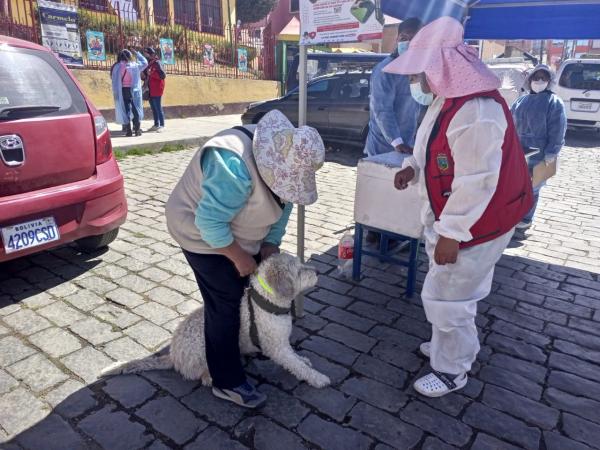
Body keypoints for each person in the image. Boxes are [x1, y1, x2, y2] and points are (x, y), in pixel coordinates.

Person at [387, 17, 533, 397]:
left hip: (477, 225)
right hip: (464, 221)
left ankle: (452, 369)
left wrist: (451, 234)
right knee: (447, 289)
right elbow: (428, 145)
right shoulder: (449, 100)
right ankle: (446, 346)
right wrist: (411, 168)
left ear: (441, 68)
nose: (417, 81)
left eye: (421, 72)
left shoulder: (477, 111)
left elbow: (476, 181)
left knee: (451, 295)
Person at [165, 110, 325, 408]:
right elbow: (210, 224)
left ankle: (246, 343)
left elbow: (283, 204)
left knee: (245, 294)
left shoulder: (282, 154)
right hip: (198, 232)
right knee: (225, 302)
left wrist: (269, 245)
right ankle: (226, 380)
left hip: (235, 229)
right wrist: (238, 257)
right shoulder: (233, 163)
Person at [364, 18, 422, 244]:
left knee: (399, 191)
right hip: (384, 144)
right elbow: (382, 109)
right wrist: (397, 142)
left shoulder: (417, 68)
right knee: (378, 189)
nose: (406, 42)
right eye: (403, 37)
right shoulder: (385, 70)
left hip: (407, 143)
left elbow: (420, 105)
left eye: (412, 38)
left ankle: (392, 232)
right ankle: (374, 230)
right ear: (397, 38)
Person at [511, 64, 567, 228]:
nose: (539, 81)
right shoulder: (521, 100)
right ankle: (515, 217)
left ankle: (526, 220)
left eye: (543, 78)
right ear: (529, 80)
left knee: (533, 189)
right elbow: (509, 124)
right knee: (516, 187)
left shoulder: (554, 102)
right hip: (519, 153)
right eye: (536, 78)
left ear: (549, 81)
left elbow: (558, 130)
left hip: (540, 155)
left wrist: (551, 153)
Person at [111, 49, 147, 137]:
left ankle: (128, 130)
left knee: (125, 109)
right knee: (135, 110)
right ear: (130, 56)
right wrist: (137, 53)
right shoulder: (134, 66)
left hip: (123, 90)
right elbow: (145, 63)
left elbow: (113, 79)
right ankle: (137, 129)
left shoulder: (116, 67)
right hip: (134, 91)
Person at [143, 47, 166, 133]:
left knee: (158, 107)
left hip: (157, 88)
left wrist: (151, 74)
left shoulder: (157, 63)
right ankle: (156, 124)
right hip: (150, 89)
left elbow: (162, 76)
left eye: (146, 54)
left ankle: (162, 125)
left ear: (151, 54)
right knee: (153, 107)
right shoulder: (149, 63)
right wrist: (144, 76)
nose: (145, 56)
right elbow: (147, 75)